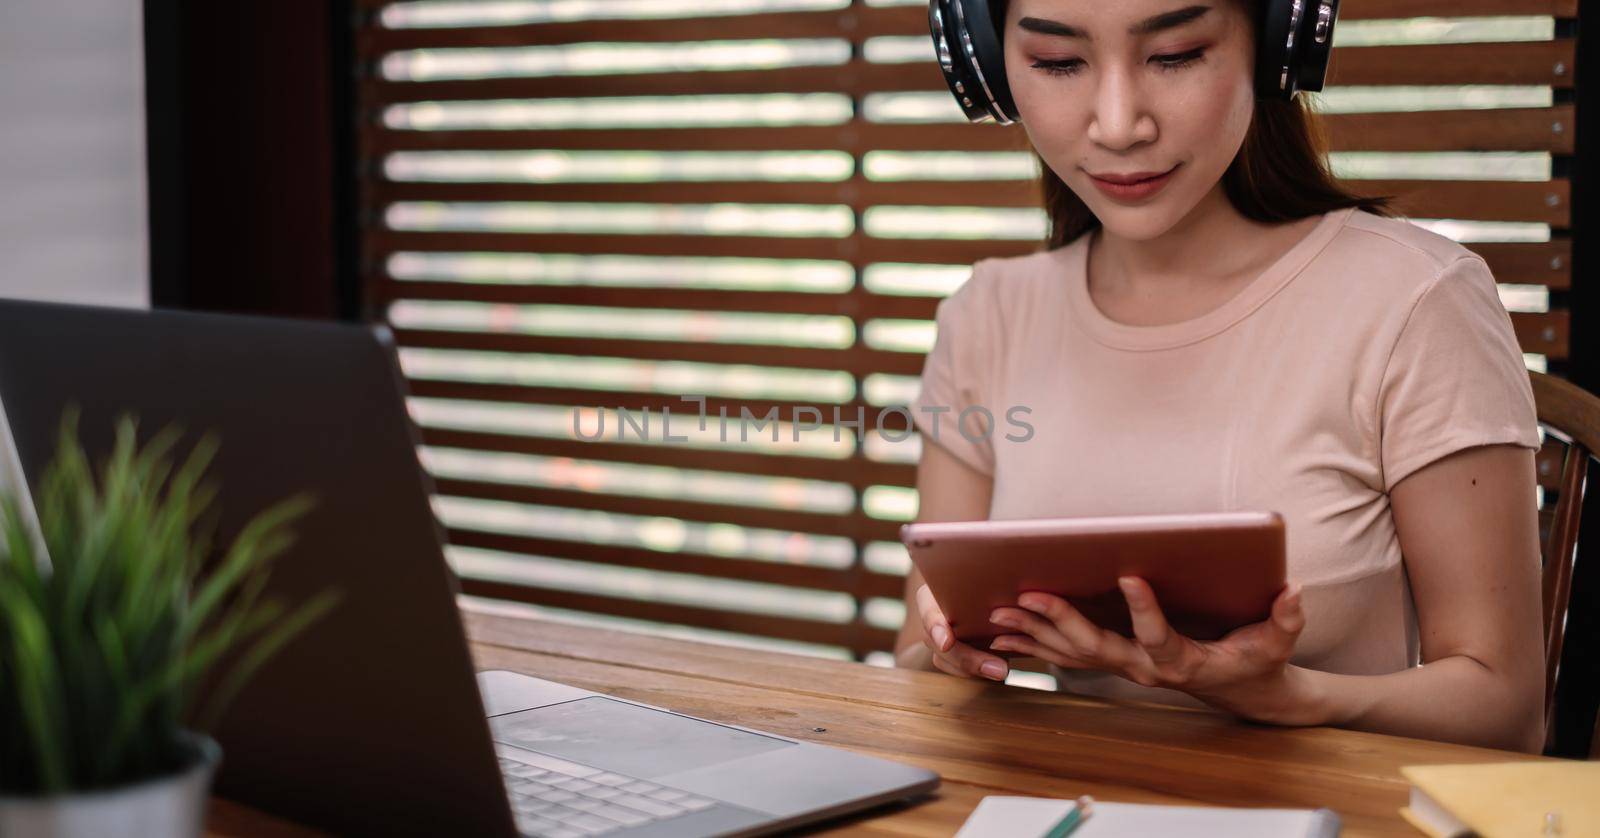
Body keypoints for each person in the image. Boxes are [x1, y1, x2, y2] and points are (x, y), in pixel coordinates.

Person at [892, 0, 1547, 753]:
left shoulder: (1415, 299)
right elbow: (917, 660)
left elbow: (1507, 707)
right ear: (989, 68)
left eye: (1174, 55)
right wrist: (955, 657)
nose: (1118, 123)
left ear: (1276, 46)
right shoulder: (988, 314)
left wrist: (1290, 696)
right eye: (1058, 63)